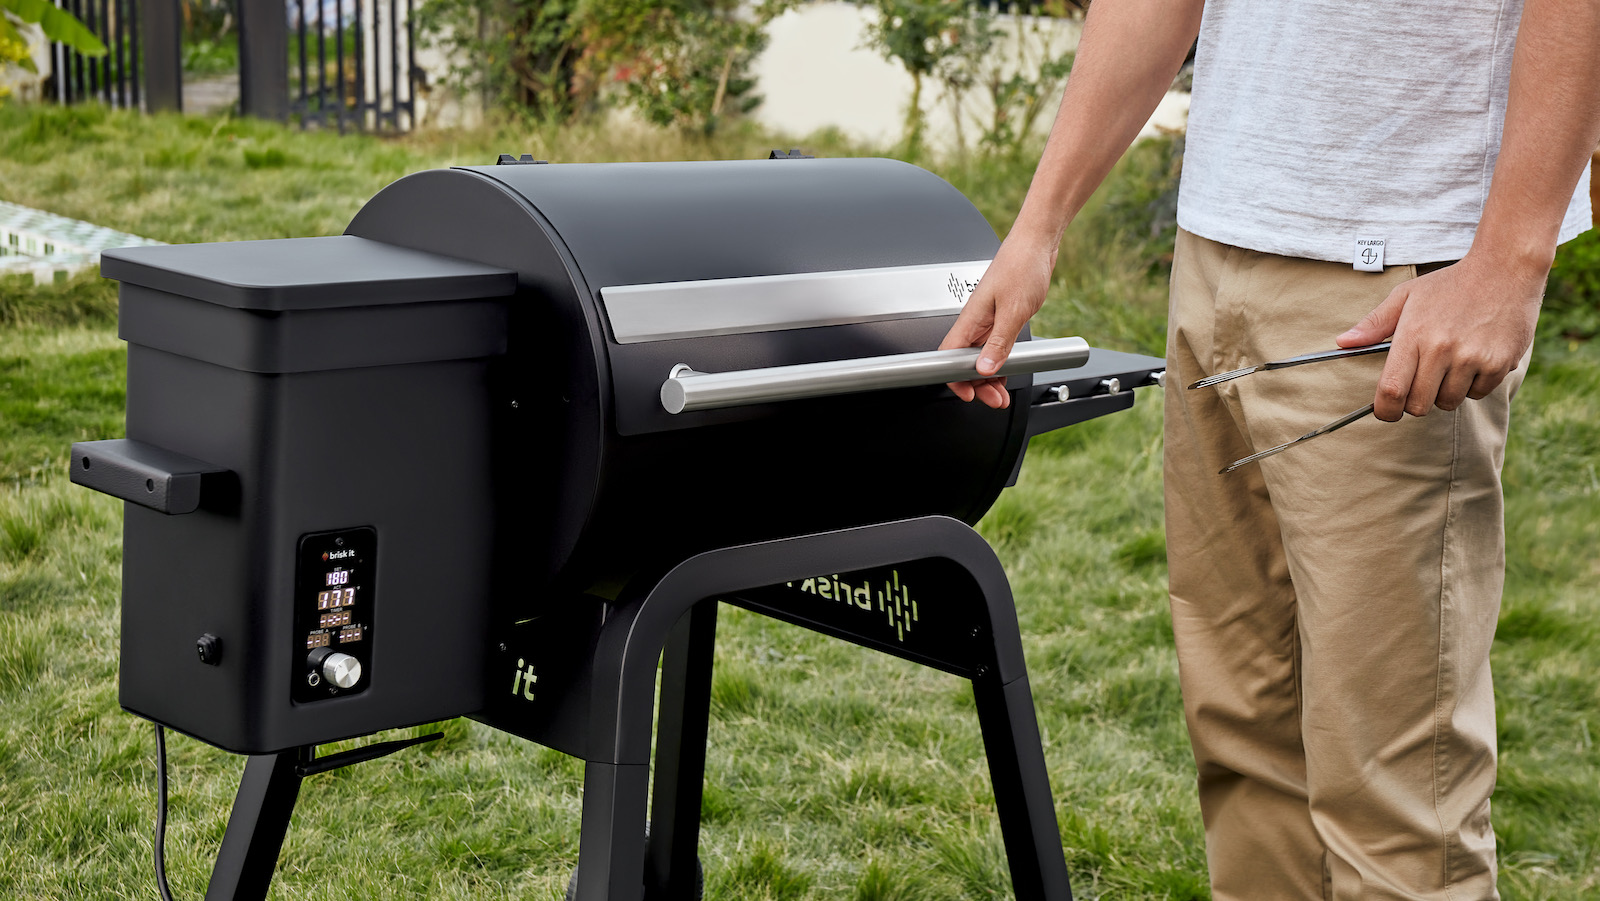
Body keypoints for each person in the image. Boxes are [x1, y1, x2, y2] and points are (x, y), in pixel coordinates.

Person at [941, 1, 1599, 898]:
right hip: (1217, 249)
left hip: (1392, 280)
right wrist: (1038, 226)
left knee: (1396, 804)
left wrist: (1510, 261)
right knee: (1244, 737)